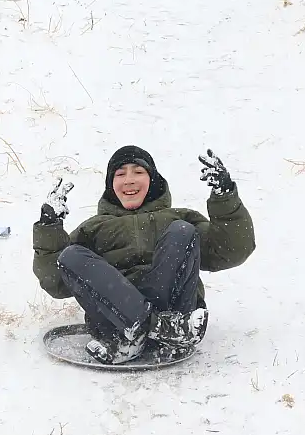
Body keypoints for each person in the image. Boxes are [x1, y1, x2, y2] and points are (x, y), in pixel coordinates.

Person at [33, 146, 256, 365]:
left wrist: (225, 198)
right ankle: (155, 326)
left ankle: (152, 325)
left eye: (138, 172)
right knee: (70, 256)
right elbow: (56, 281)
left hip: (172, 307)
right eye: (120, 174)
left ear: (153, 180)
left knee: (183, 231)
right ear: (111, 185)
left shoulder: (178, 217)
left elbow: (232, 250)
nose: (129, 180)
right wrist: (49, 229)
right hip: (116, 323)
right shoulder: (94, 228)